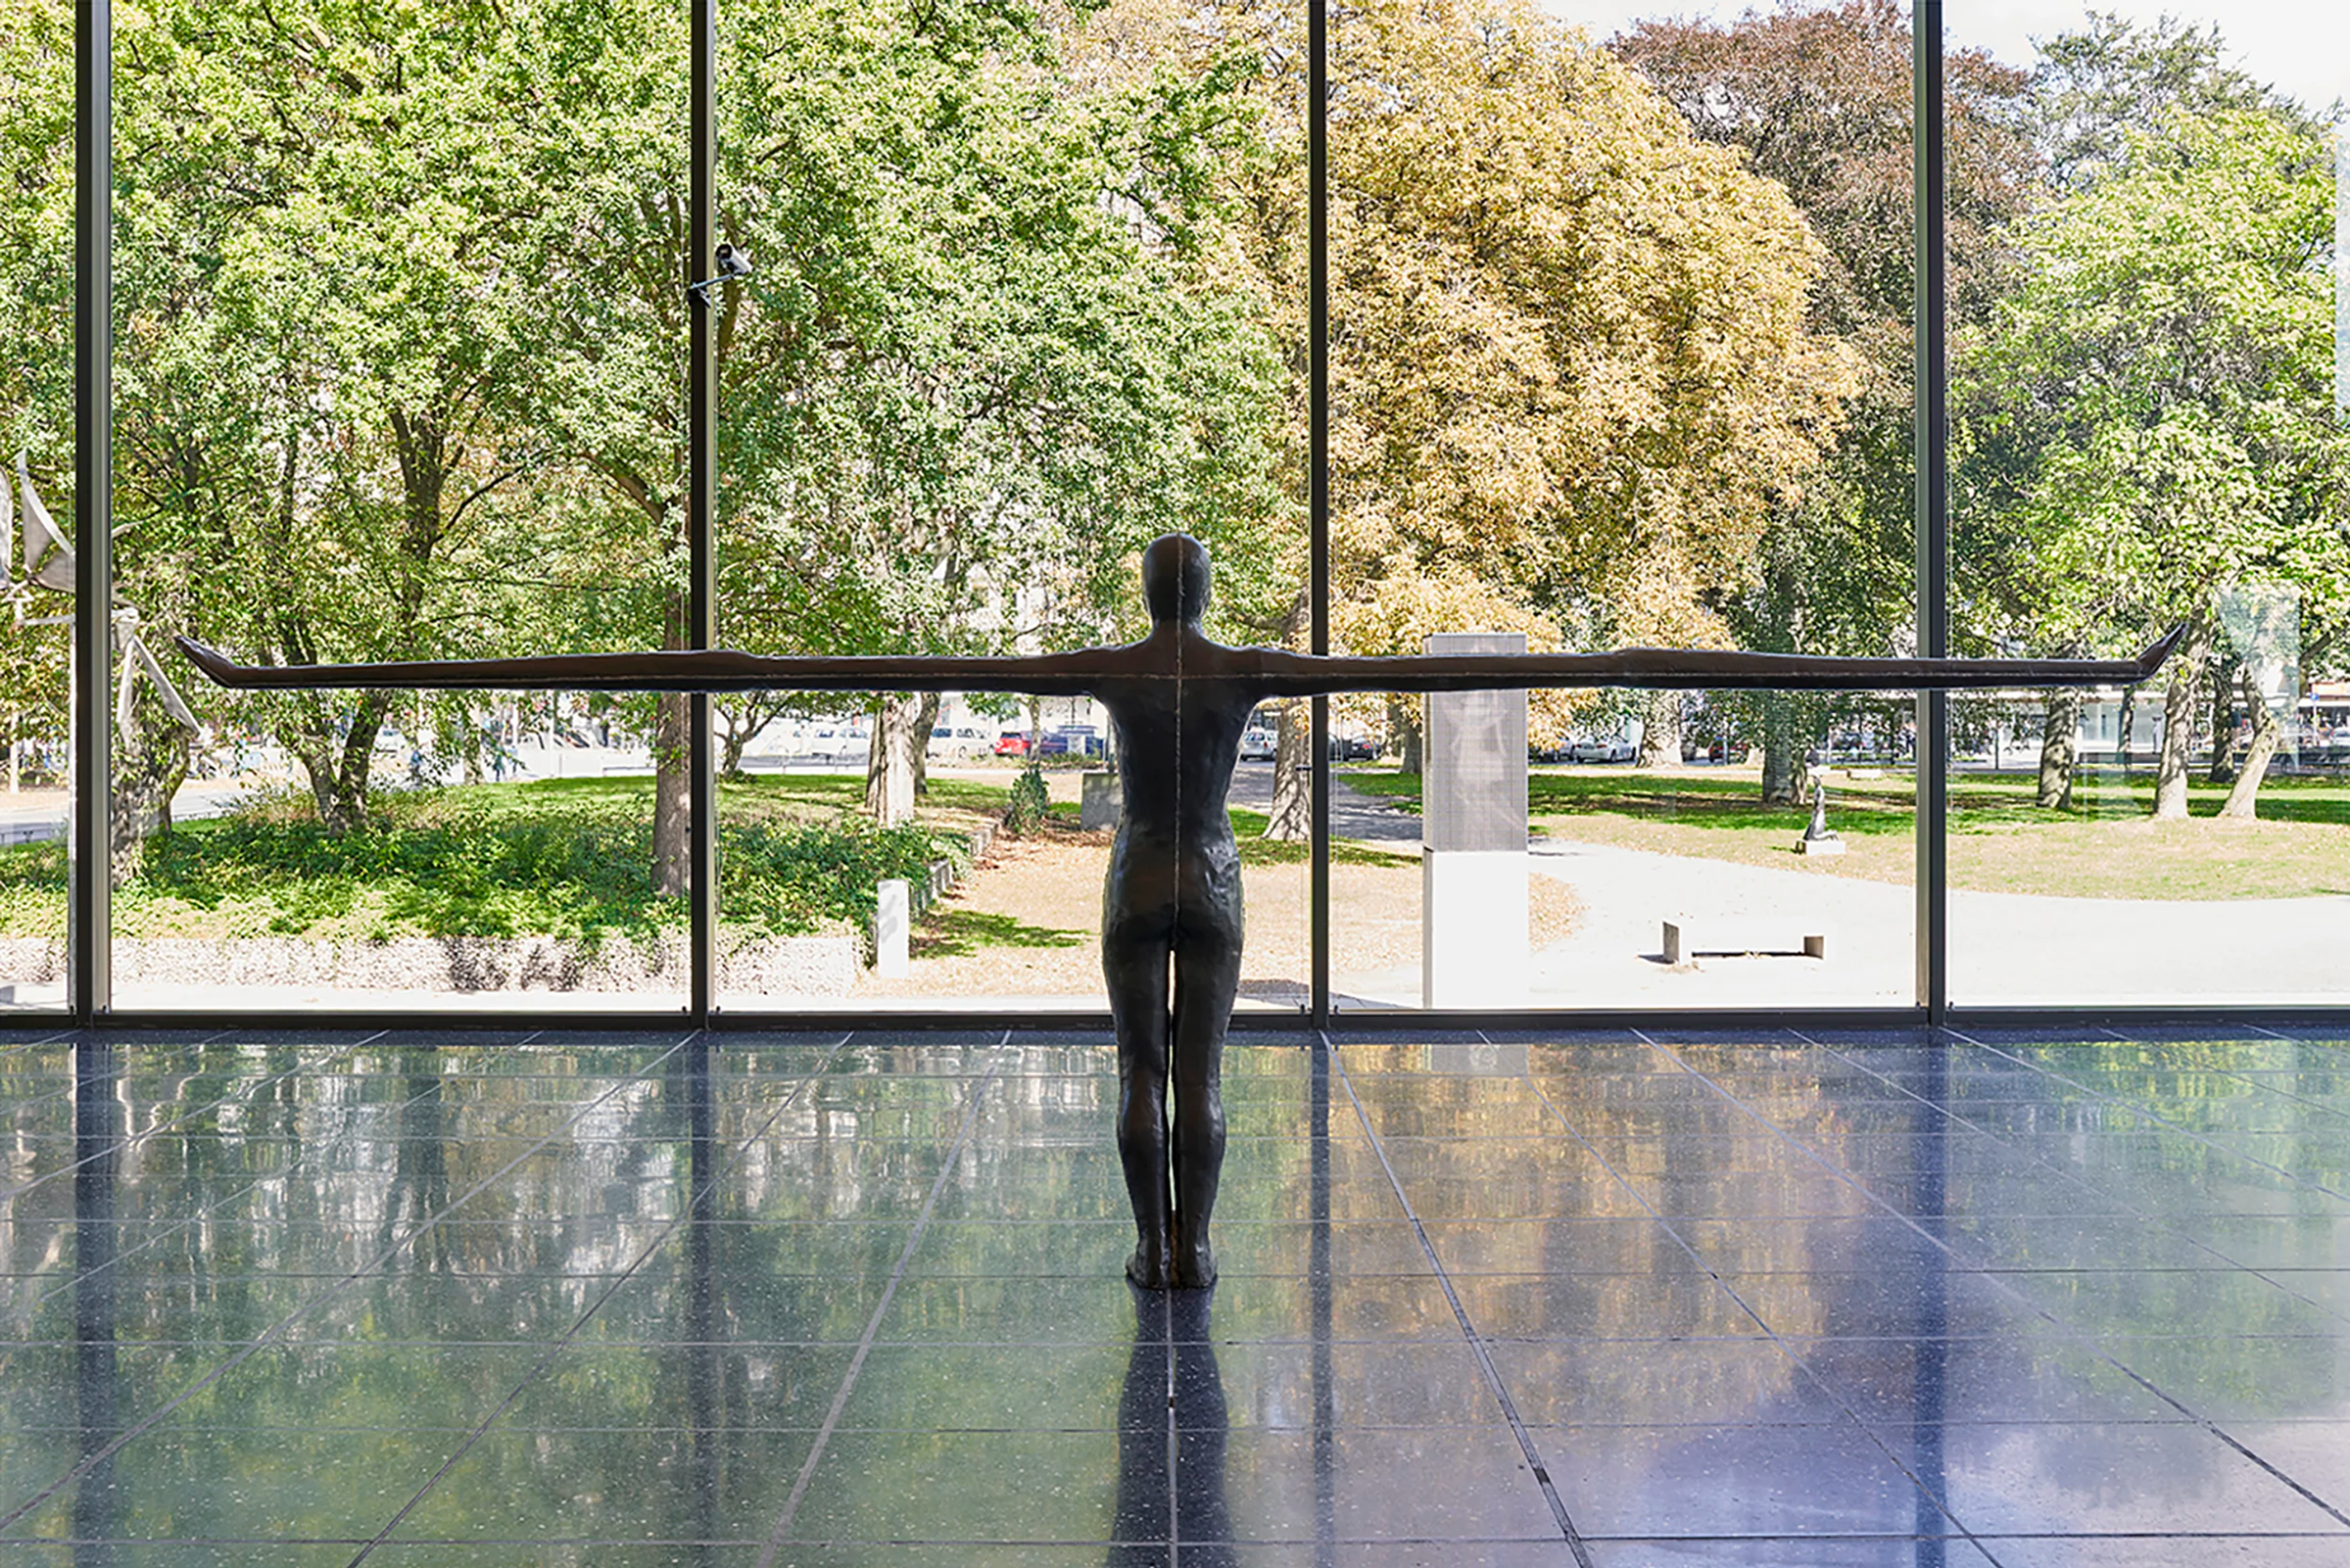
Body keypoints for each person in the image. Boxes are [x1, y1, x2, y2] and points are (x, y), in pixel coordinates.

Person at [177, 536, 2180, 1288]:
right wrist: (2072, 683)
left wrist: (285, 687)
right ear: (1202, 586)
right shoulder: (1249, 671)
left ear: (1130, 586)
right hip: (1213, 879)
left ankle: (1155, 1256)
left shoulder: (1102, 674)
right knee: (1203, 1068)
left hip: (1133, 871)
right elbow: (1637, 662)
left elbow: (696, 674)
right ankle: (1191, 1263)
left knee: (1122, 1063)